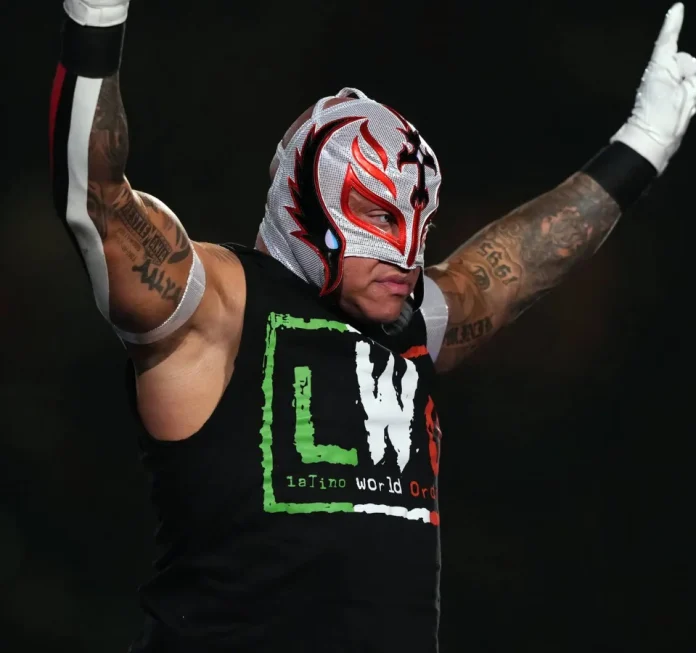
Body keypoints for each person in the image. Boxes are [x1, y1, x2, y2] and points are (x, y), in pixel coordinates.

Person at [49, 1, 696, 651]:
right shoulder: (218, 308)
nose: (408, 253)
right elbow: (98, 199)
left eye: (421, 222)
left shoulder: (412, 322)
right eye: (380, 216)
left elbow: (514, 266)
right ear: (306, 204)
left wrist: (640, 145)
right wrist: (96, 18)